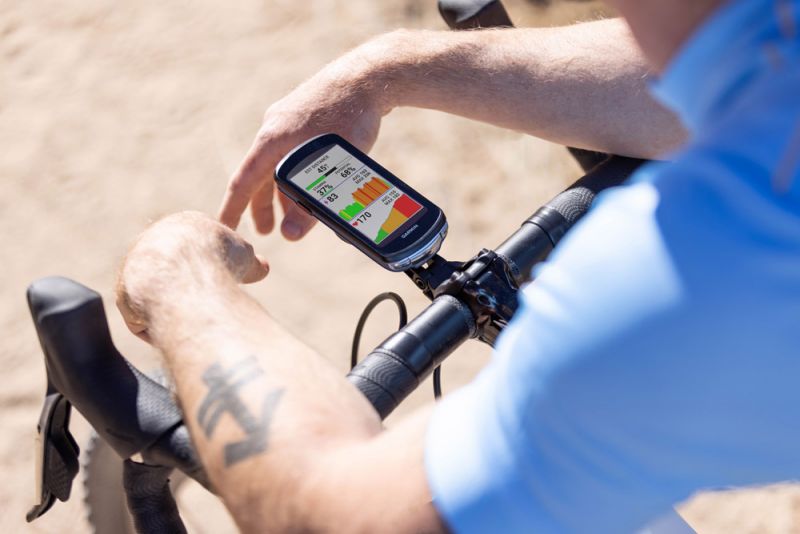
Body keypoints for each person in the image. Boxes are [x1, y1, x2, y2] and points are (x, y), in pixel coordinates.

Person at [115, 0, 800, 531]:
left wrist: (180, 280)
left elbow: (326, 513)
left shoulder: (682, 278)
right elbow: (726, 57)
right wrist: (389, 68)